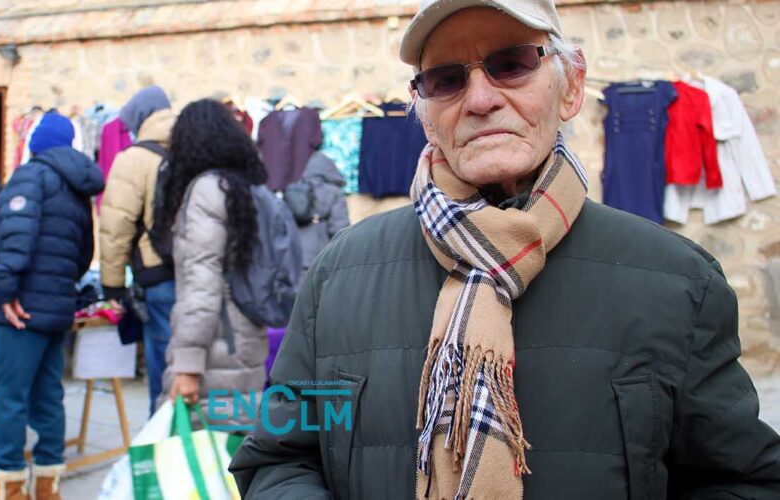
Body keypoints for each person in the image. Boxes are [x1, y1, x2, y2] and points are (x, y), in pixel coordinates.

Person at [229, 1, 780, 499]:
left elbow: (739, 480)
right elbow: (282, 459)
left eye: (511, 63)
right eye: (446, 79)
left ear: (570, 87)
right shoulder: (340, 275)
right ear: (422, 109)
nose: (481, 99)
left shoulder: (677, 282)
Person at [0, 113, 104, 500]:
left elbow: (16, 240)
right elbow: (84, 254)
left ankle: (10, 487)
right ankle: (48, 487)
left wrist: (5, 293)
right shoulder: (76, 188)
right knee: (47, 395)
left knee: (6, 397)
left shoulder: (31, 176)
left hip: (22, 308)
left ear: (36, 142)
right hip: (56, 307)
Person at [152, 99, 269, 424]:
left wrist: (187, 365)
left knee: (195, 460)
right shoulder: (245, 190)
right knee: (233, 452)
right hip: (247, 341)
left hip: (214, 350)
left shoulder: (205, 191)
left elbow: (201, 284)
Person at [99, 85, 177, 416]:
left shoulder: (133, 159)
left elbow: (116, 227)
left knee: (163, 368)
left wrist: (113, 284)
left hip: (158, 276)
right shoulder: (193, 148)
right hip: (199, 275)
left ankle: (162, 447)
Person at [292, 151, 350, 272]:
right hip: (319, 255)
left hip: (293, 255)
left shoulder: (295, 191)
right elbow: (339, 230)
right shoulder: (334, 193)